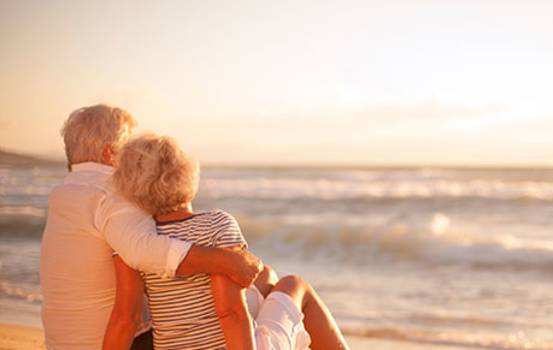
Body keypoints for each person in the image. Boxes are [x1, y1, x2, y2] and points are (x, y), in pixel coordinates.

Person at [40, 105, 263, 349]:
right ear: (110, 154)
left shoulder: (63, 194)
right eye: (127, 152)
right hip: (113, 343)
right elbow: (142, 251)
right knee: (268, 291)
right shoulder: (111, 194)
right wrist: (228, 261)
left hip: (60, 342)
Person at [103, 134, 349, 350]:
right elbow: (230, 312)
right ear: (186, 175)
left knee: (266, 277)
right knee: (294, 284)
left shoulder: (135, 240)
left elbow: (126, 316)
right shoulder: (216, 224)